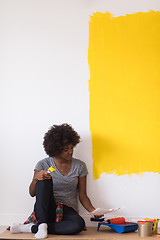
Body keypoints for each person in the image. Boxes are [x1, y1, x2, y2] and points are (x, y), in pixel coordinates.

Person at [10, 124, 101, 239]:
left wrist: (93, 211)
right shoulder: (43, 164)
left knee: (78, 225)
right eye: (66, 150)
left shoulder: (80, 166)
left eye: (72, 147)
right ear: (55, 150)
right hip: (47, 208)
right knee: (44, 180)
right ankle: (42, 224)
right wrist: (36, 178)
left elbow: (82, 195)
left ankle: (31, 228)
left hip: (68, 210)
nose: (70, 152)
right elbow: (32, 193)